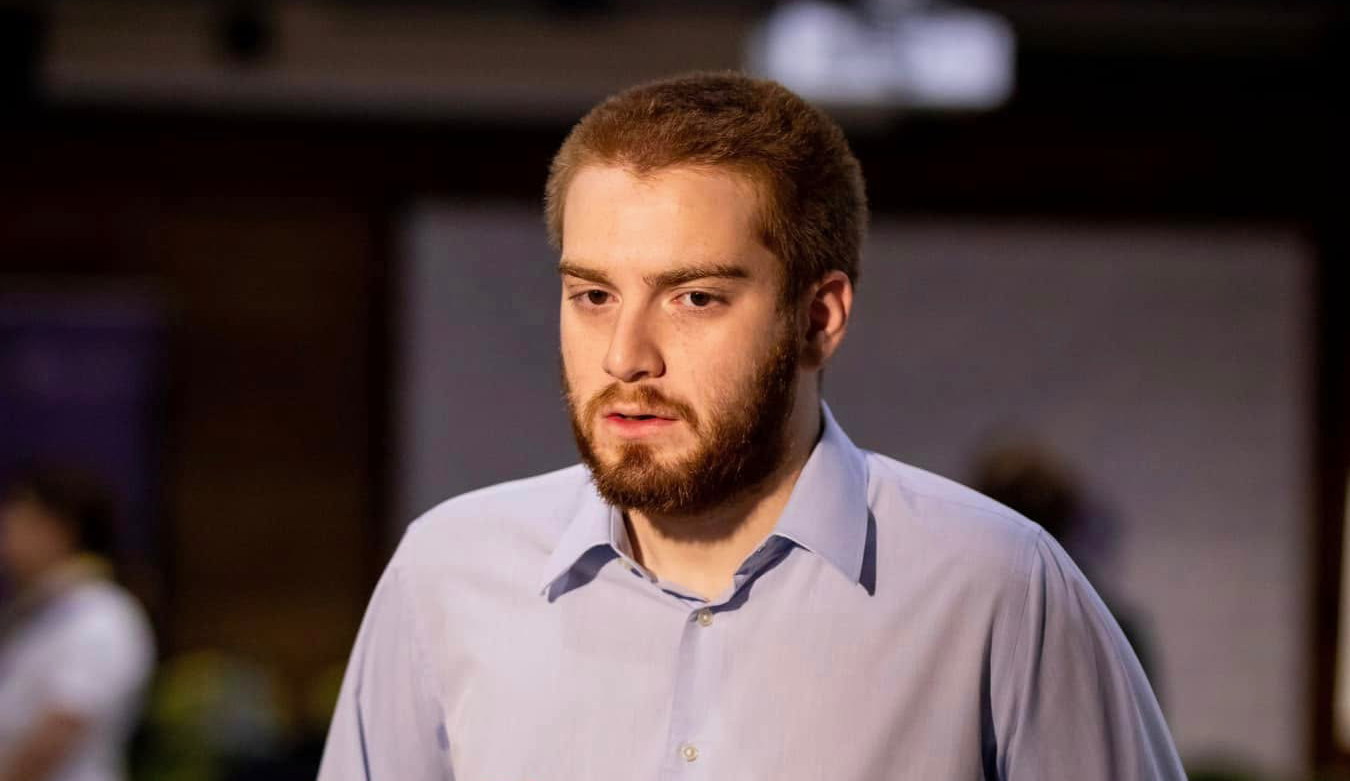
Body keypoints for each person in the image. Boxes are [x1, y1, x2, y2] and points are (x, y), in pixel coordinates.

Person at [319, 72, 1185, 780]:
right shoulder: (446, 573)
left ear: (818, 318)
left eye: (695, 297)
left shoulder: (995, 584)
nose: (625, 356)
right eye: (593, 294)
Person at [0, 468, 154, 781]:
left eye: (21, 520)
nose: (7, 534)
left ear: (60, 529)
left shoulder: (103, 616)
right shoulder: (38, 612)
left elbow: (58, 733)